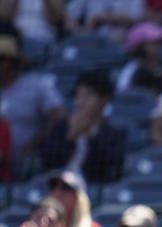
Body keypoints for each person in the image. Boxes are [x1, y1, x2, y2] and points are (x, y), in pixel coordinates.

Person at [0, 25, 66, 178]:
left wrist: (36, 143)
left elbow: (60, 117)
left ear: (9, 62)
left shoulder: (36, 85)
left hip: (30, 164)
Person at [39, 68, 127, 183]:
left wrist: (91, 137)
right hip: (57, 187)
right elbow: (47, 162)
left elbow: (110, 169)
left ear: (105, 100)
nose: (80, 102)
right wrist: (70, 137)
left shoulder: (115, 133)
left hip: (93, 191)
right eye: (78, 95)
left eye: (88, 95)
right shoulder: (61, 127)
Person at [116, 20, 162, 95]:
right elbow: (124, 96)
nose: (158, 46)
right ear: (140, 46)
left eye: (159, 42)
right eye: (154, 43)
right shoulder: (131, 71)